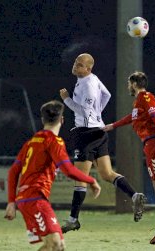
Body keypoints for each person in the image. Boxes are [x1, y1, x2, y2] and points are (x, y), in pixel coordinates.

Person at [59, 53, 146, 233]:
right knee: (107, 173)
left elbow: (84, 110)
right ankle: (134, 195)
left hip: (85, 133)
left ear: (88, 68)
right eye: (76, 62)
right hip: (98, 131)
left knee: (79, 178)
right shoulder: (93, 79)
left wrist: (67, 99)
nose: (76, 66)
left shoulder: (88, 86)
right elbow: (107, 95)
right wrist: (97, 114)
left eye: (80, 64)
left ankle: (73, 219)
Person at [4, 100, 101, 251]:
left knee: (58, 246)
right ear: (62, 120)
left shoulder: (32, 141)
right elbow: (68, 169)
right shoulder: (54, 141)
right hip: (34, 198)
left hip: (29, 198)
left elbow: (13, 171)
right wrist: (91, 180)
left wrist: (11, 201)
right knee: (55, 244)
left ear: (43, 120)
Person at [102, 71, 155, 244]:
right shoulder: (141, 101)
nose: (127, 87)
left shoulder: (145, 97)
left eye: (128, 83)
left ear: (134, 83)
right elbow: (132, 118)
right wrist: (113, 126)